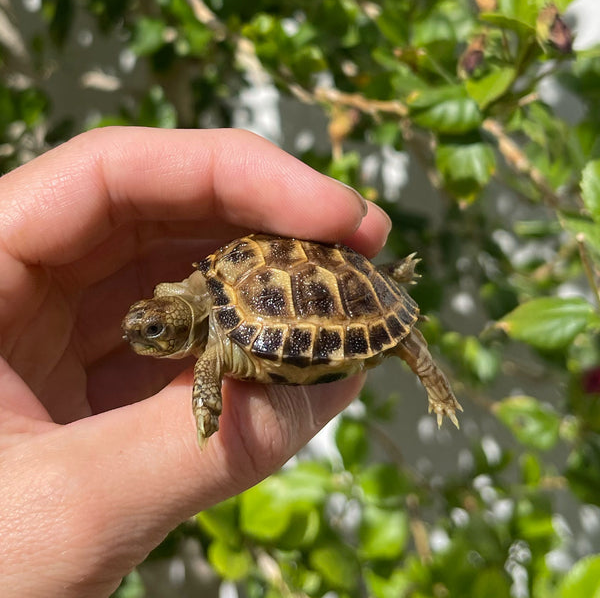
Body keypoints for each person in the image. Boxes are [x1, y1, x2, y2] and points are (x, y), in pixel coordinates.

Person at [0, 127, 391, 597]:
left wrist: (208, 407)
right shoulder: (194, 300)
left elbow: (210, 364)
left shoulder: (211, 343)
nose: (138, 336)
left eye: (154, 332)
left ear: (182, 324)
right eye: (146, 328)